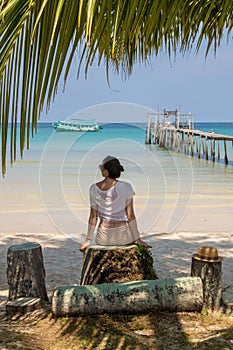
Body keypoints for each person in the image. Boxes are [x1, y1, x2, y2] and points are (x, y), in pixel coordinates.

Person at [79, 156, 150, 252]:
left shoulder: (93, 188)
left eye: (102, 168)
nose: (101, 170)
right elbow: (130, 216)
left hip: (103, 238)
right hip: (123, 237)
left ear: (106, 171)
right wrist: (138, 240)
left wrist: (88, 240)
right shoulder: (126, 187)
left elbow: (93, 217)